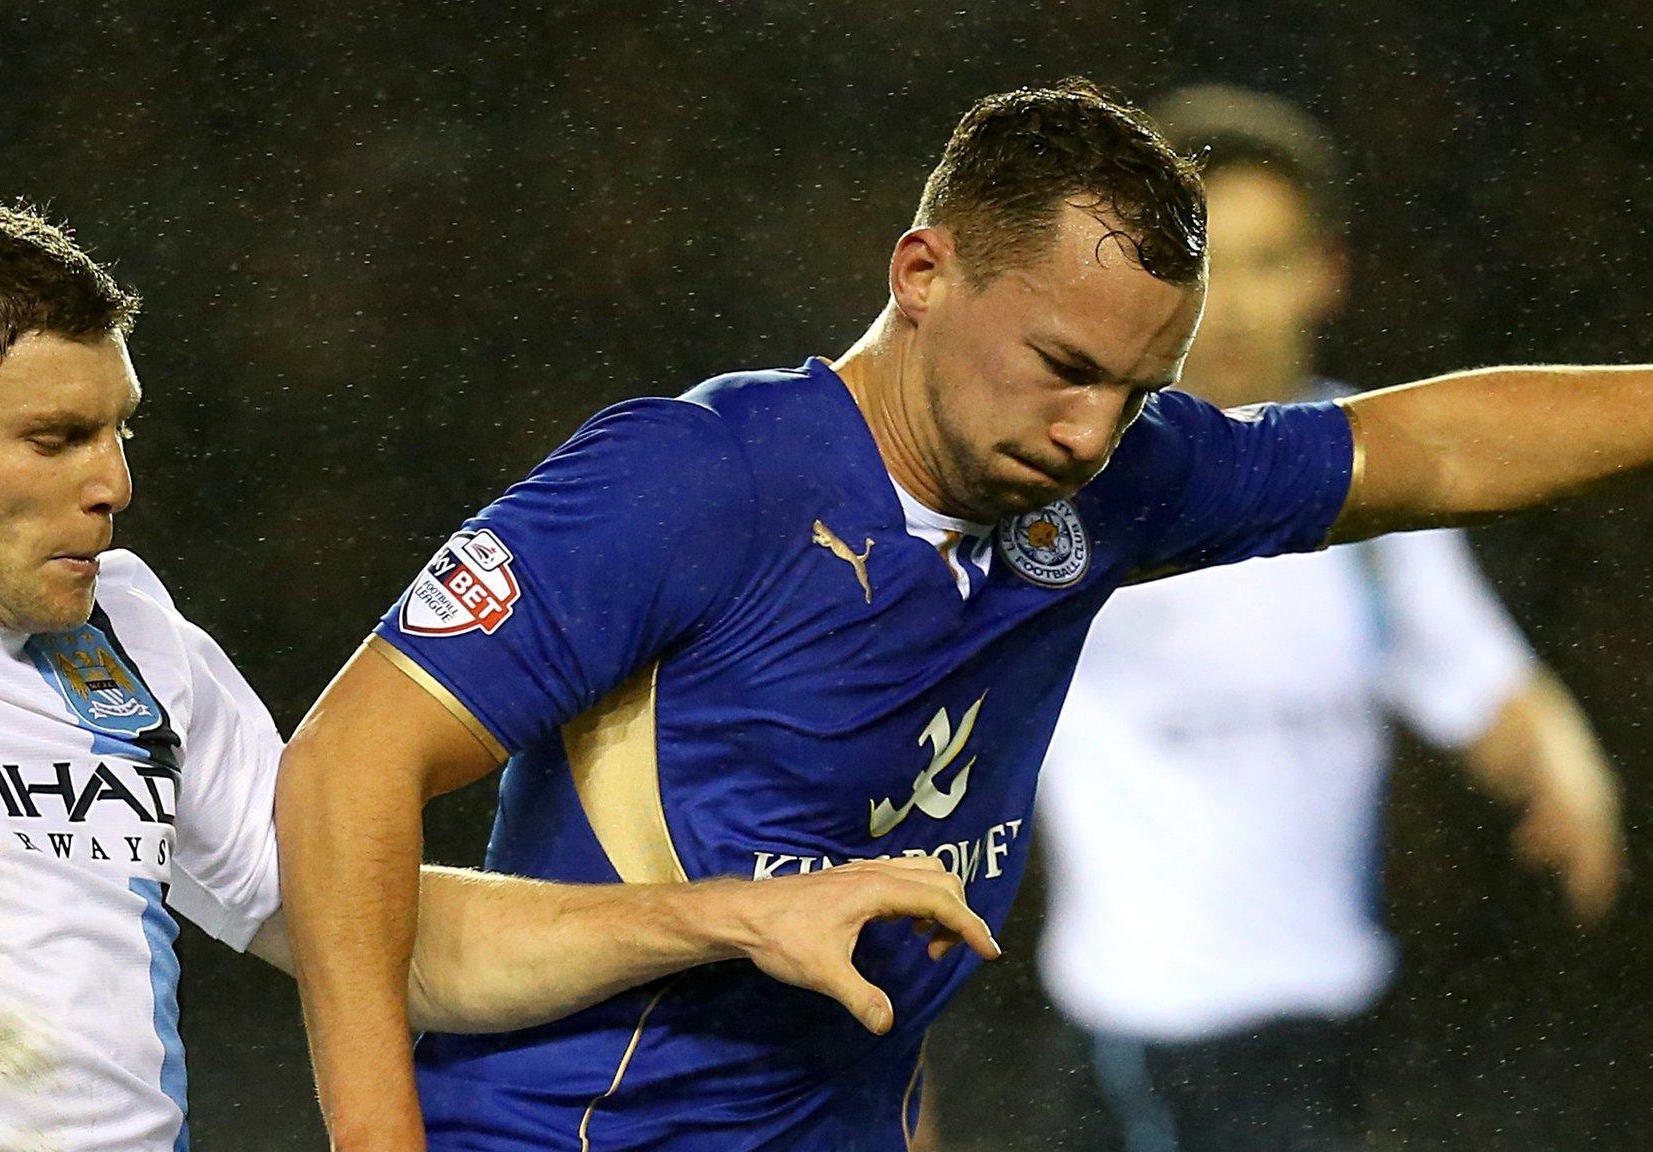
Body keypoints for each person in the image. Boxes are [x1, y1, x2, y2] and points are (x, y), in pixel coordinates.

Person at [279, 77, 1653, 1152]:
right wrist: (375, 1137)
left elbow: (1428, 451)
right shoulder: (694, 482)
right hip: (575, 1130)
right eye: (1062, 367)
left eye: (1135, 388)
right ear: (922, 274)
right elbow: (346, 770)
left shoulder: (1118, 478)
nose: (1091, 431)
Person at [0, 179, 995, 1151]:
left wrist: (723, 918)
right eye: (55, 441)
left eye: (121, 431)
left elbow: (366, 930)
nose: (114, 486)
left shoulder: (125, 628)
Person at [1017, 86, 1624, 1152]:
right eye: (1201, 268)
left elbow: (1480, 685)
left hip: (1332, 1022)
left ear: (1325, 271)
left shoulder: (1379, 483)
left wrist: (1561, 765)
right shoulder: (1068, 491)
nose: (1234, 307)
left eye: (1266, 261)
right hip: (1146, 1033)